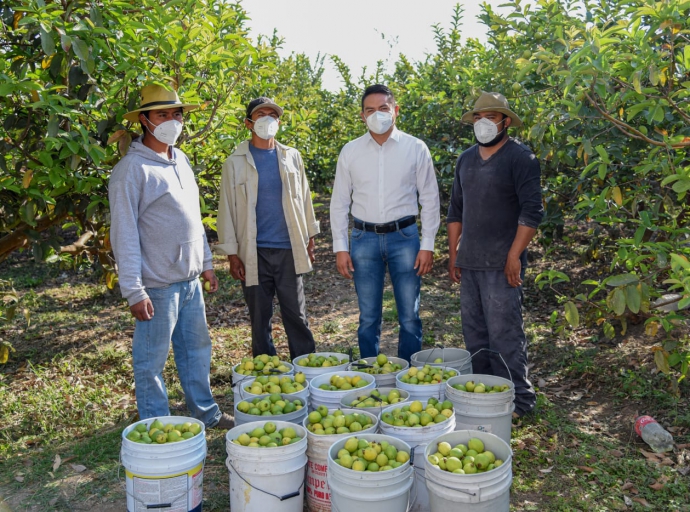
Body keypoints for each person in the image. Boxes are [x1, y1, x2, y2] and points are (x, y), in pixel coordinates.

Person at [109, 84, 234, 429]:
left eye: (177, 114)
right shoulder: (131, 170)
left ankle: (206, 413)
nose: (172, 121)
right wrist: (134, 290)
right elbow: (124, 234)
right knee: (151, 361)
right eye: (162, 115)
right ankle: (157, 424)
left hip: (190, 280)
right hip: (158, 283)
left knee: (196, 352)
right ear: (145, 121)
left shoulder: (181, 159)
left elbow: (193, 218)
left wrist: (206, 264)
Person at [447, 91, 543, 418]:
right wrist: (453, 254)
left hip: (503, 265)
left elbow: (532, 212)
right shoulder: (466, 160)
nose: (483, 123)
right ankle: (488, 396)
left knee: (505, 335)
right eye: (478, 117)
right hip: (470, 262)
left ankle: (519, 403)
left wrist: (515, 255)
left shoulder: (520, 159)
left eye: (490, 116)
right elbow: (455, 211)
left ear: (505, 121)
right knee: (475, 334)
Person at [330, 84, 440, 363]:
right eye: (370, 110)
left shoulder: (416, 148)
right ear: (362, 116)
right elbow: (340, 202)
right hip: (363, 239)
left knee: (410, 315)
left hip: (404, 237)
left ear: (396, 111)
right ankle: (370, 372)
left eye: (383, 108)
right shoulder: (350, 151)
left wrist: (427, 245)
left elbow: (429, 198)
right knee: (368, 316)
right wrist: (340, 247)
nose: (376, 114)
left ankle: (410, 375)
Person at [216, 97, 319, 360]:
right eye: (260, 114)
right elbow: (226, 208)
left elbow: (304, 198)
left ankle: (305, 366)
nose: (267, 119)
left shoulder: (291, 156)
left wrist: (310, 236)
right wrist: (232, 253)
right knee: (260, 316)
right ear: (248, 123)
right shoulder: (235, 162)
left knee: (295, 313)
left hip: (287, 247)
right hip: (254, 250)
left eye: (272, 115)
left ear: (279, 122)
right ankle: (266, 369)